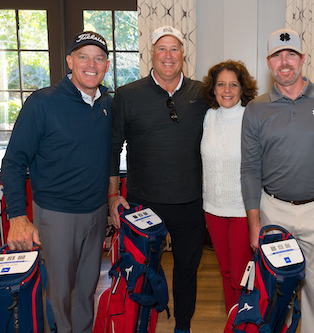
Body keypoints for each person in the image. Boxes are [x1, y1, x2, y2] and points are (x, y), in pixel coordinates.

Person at [241, 28, 314, 333]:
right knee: (278, 291)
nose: (285, 61)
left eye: (291, 54)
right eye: (277, 55)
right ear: (268, 62)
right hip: (273, 210)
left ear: (303, 59)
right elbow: (249, 168)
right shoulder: (256, 109)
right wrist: (254, 223)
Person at [1, 31, 112, 333]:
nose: (92, 64)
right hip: (57, 216)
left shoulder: (106, 105)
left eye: (99, 58)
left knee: (87, 291)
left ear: (107, 65)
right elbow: (12, 161)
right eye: (83, 56)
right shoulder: (42, 103)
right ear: (69, 61)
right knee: (59, 294)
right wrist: (17, 216)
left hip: (96, 212)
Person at [108, 26, 208, 333]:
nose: (168, 55)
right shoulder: (127, 95)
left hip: (190, 202)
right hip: (143, 201)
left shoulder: (203, 93)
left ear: (183, 55)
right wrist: (113, 195)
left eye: (174, 49)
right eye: (161, 49)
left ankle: (183, 326)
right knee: (142, 271)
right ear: (150, 54)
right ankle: (141, 324)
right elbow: (112, 149)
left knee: (187, 271)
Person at [201, 60, 257, 314]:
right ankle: (232, 321)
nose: (226, 89)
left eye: (233, 84)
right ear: (213, 89)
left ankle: (244, 323)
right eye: (221, 84)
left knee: (240, 276)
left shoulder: (251, 117)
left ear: (242, 89)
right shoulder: (208, 117)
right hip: (212, 208)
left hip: (242, 210)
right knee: (225, 272)